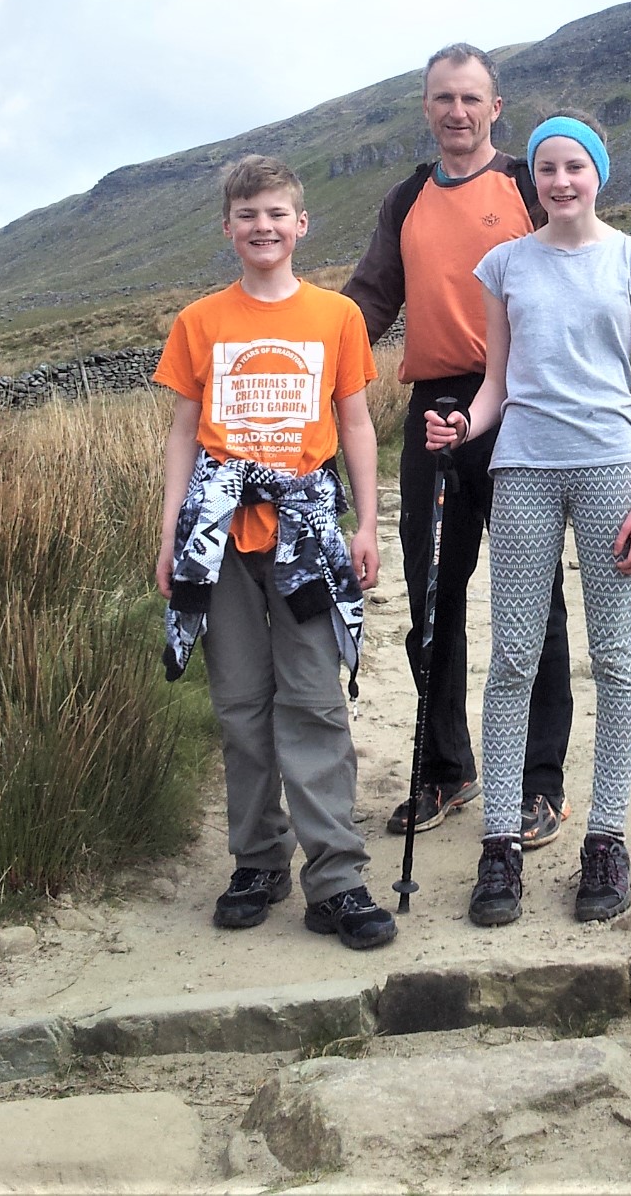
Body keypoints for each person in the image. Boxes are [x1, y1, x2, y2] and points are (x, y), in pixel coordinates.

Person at [425, 114, 631, 927]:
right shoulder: (502, 266)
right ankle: (499, 844)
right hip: (522, 468)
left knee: (615, 657)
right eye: (546, 169)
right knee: (514, 657)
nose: (560, 181)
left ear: (599, 171)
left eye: (575, 166)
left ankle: (605, 837)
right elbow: (495, 382)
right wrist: (465, 425)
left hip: (609, 466)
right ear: (530, 179)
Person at [153, 153, 396, 951]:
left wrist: (366, 523)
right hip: (218, 539)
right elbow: (184, 432)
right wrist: (170, 538)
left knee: (315, 702)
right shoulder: (199, 322)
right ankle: (257, 861)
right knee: (240, 706)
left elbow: (355, 423)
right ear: (228, 228)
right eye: (247, 215)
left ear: (302, 225)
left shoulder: (336, 318)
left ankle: (337, 877)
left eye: (276, 213)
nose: (263, 227)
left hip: (307, 534)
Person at [343, 45, 574, 850]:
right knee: (432, 602)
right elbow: (369, 298)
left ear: (495, 106)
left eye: (470, 98)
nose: (456, 111)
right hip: (434, 411)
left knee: (533, 604)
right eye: (442, 98)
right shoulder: (405, 198)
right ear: (427, 108)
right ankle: (446, 770)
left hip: (524, 410)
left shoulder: (523, 185)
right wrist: (308, 354)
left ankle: (539, 786)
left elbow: (578, 266)